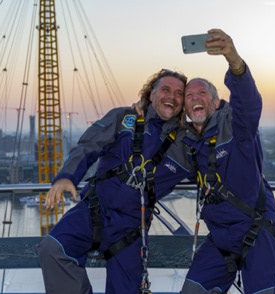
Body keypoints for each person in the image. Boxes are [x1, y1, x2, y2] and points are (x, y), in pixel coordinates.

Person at [37, 68, 192, 294]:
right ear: (151, 94)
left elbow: (218, 158)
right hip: (93, 210)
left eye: (179, 93)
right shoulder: (124, 118)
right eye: (165, 89)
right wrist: (66, 177)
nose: (172, 96)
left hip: (130, 228)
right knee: (53, 249)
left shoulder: (185, 143)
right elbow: (89, 145)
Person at [180, 29, 275, 294]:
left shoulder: (236, 127)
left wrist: (234, 62)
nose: (195, 98)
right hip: (221, 238)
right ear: (186, 109)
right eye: (189, 96)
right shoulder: (188, 143)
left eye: (202, 93)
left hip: (258, 230)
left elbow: (248, 103)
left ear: (215, 102)